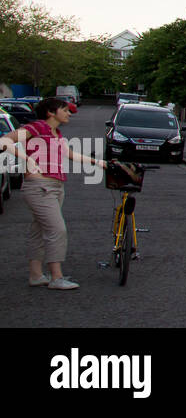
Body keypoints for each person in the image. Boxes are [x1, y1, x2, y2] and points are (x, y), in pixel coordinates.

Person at [0, 97, 106, 290]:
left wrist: (99, 163)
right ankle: (56, 277)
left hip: (56, 186)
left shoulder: (56, 133)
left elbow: (70, 154)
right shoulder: (37, 127)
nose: (68, 113)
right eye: (64, 110)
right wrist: (27, 160)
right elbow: (5, 141)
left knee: (39, 231)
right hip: (40, 185)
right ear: (51, 112)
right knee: (57, 230)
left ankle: (36, 275)